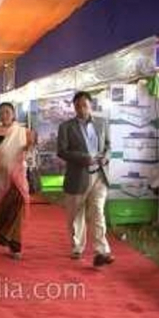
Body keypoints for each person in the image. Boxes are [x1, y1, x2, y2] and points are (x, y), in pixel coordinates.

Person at [57, 91, 114, 267]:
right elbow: (62, 151)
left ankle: (101, 251)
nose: (82, 109)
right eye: (78, 105)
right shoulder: (66, 127)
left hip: (99, 174)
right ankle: (77, 247)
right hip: (78, 175)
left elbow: (109, 146)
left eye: (85, 105)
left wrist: (106, 156)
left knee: (97, 212)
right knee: (76, 214)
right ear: (74, 107)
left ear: (91, 105)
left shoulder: (101, 123)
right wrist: (84, 158)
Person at [0, 103, 35, 260]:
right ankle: (4, 234)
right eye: (1, 113)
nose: (5, 115)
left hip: (17, 179)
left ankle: (15, 245)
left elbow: (29, 151)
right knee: (1, 210)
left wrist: (30, 146)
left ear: (14, 114)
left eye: (8, 112)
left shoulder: (23, 132)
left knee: (17, 206)